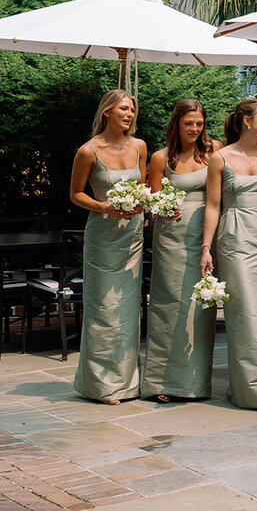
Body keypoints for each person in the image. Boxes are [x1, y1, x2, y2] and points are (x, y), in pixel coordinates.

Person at [201, 98, 257, 413]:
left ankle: (252, 388)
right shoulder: (219, 158)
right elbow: (213, 206)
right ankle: (256, 391)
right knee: (241, 315)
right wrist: (206, 247)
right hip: (234, 239)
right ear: (247, 121)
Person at [69, 89, 146, 404]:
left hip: (134, 236)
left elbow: (143, 188)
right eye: (123, 109)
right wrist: (105, 207)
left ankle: (126, 383)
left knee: (128, 310)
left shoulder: (139, 147)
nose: (128, 115)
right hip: (103, 236)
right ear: (107, 113)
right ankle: (100, 385)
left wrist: (145, 203)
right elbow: (76, 194)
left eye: (131, 110)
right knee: (104, 308)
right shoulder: (88, 151)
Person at [141, 99, 220, 403]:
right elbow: (152, 202)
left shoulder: (214, 150)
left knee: (200, 308)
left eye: (199, 123)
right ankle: (162, 381)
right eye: (189, 123)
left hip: (205, 236)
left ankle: (195, 384)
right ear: (177, 124)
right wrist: (162, 210)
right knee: (168, 306)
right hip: (171, 239)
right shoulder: (161, 158)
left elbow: (222, 191)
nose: (194, 129)